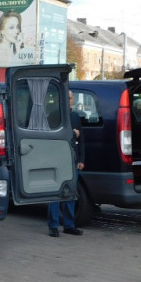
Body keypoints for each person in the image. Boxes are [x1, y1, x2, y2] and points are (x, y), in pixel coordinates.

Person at [47, 91, 85, 237]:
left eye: (71, 98)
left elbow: (81, 140)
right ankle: (53, 226)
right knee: (56, 194)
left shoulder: (75, 116)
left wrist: (81, 160)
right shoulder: (54, 115)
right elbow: (52, 137)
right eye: (68, 98)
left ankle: (69, 225)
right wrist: (71, 133)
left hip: (72, 161)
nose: (70, 100)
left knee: (71, 194)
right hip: (57, 161)